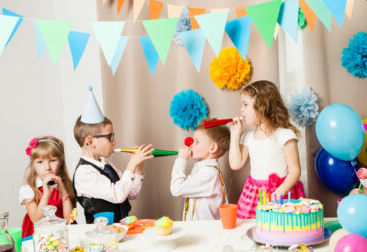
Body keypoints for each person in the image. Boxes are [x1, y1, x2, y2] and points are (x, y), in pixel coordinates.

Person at [73, 86, 154, 223]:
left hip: (120, 230)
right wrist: (131, 164)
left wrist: (138, 168)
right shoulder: (84, 173)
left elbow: (132, 193)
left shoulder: (107, 166)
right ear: (91, 141)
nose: (114, 142)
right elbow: (117, 195)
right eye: (110, 137)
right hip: (101, 236)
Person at [229, 80, 305, 219]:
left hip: (281, 193)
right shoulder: (248, 137)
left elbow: (295, 170)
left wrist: (278, 193)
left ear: (261, 105)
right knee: (256, 230)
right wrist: (235, 136)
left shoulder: (284, 135)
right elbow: (235, 164)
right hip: (254, 195)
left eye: (245, 105)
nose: (241, 109)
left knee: (280, 229)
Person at [170, 122, 230, 221]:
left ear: (212, 148)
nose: (191, 145)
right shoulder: (204, 169)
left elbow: (176, 189)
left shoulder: (208, 173)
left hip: (204, 231)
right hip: (199, 229)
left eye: (197, 142)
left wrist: (181, 160)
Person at [20, 136, 76, 238]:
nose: (47, 167)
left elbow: (70, 220)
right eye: (40, 162)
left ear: (61, 162)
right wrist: (46, 194)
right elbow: (36, 220)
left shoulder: (67, 185)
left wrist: (63, 192)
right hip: (39, 236)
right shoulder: (28, 189)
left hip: (62, 235)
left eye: (53, 160)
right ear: (33, 164)